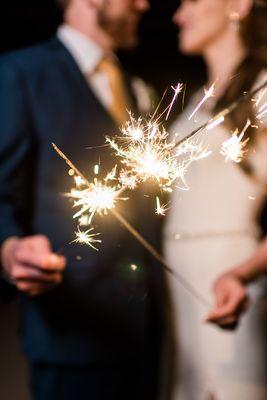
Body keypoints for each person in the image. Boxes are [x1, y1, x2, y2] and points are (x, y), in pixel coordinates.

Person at [0, 0, 165, 399]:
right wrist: (9, 248)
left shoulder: (132, 84)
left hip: (145, 332)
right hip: (72, 337)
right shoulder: (20, 72)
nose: (144, 5)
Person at [163, 0, 267, 399]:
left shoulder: (262, 92)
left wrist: (241, 274)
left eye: (191, 0)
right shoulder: (192, 101)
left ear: (238, 4)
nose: (178, 14)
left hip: (232, 276)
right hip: (179, 278)